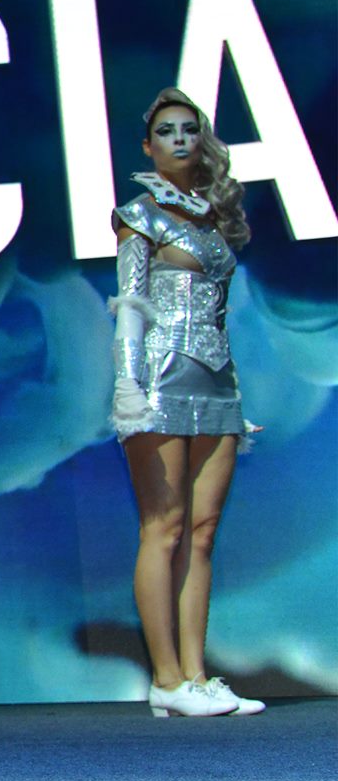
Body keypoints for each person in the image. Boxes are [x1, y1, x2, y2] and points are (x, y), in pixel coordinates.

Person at [110, 87, 263, 718]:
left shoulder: (211, 218)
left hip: (216, 380)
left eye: (189, 129)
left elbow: (219, 313)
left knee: (201, 533)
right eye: (167, 131)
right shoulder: (139, 216)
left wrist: (234, 392)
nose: (179, 139)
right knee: (164, 526)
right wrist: (128, 385)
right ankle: (166, 679)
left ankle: (197, 677)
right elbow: (131, 305)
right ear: (148, 147)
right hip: (159, 378)